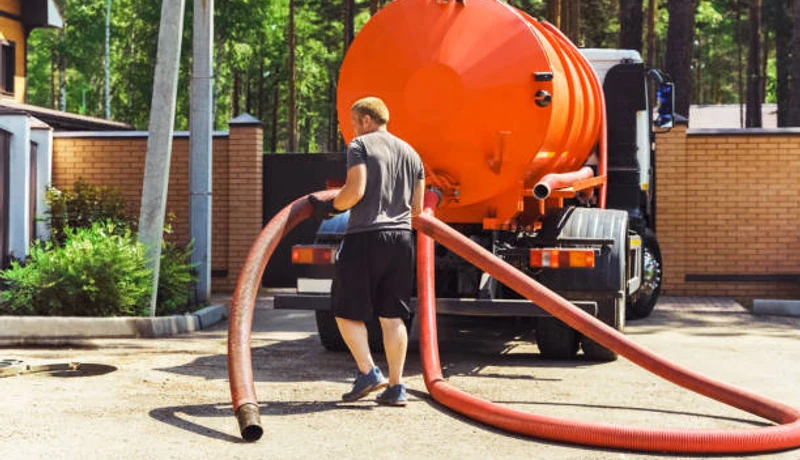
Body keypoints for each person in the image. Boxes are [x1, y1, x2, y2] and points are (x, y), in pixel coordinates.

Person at [309, 96, 425, 406]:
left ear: (366, 120)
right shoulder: (413, 154)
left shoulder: (360, 147)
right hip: (401, 239)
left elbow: (355, 191)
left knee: (345, 311)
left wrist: (331, 208)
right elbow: (417, 208)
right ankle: (397, 387)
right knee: (393, 317)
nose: (353, 131)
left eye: (354, 124)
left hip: (366, 236)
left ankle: (368, 371)